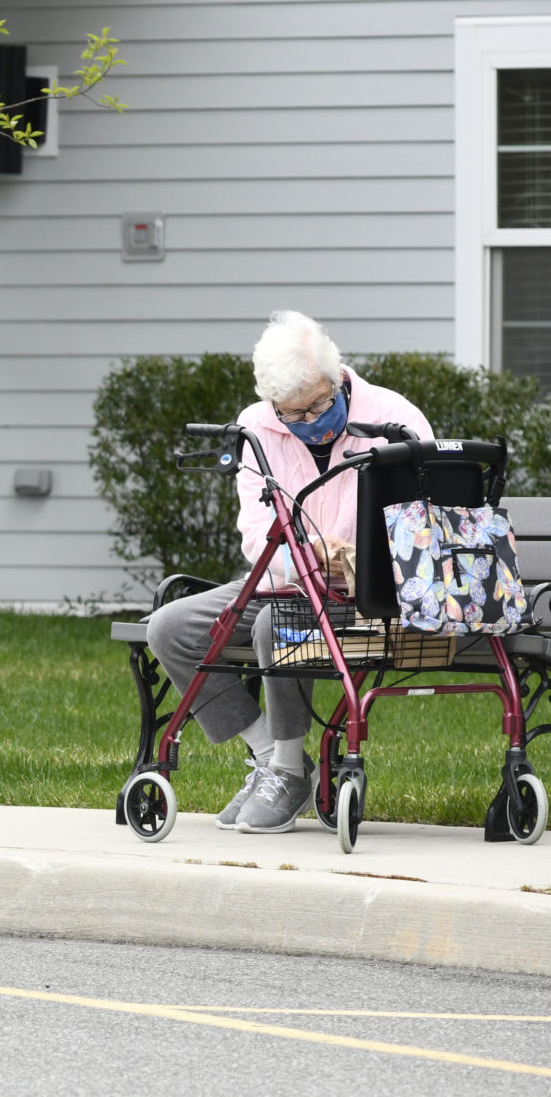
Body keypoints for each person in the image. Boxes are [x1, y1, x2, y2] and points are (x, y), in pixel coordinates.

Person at [144, 310, 429, 834]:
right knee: (170, 627)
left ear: (337, 375)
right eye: (292, 414)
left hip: (369, 595)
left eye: (319, 404)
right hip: (286, 578)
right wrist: (307, 554)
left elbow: (420, 530)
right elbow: (257, 534)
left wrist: (352, 557)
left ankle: (285, 765)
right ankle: (278, 761)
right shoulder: (256, 427)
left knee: (275, 625)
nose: (309, 421)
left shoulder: (395, 418)